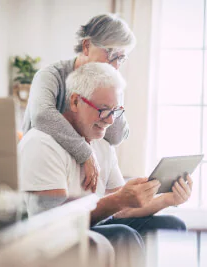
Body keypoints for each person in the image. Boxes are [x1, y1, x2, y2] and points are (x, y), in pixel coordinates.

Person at [19, 63, 160, 267]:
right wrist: (118, 200)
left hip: (88, 226)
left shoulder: (102, 145)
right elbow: (53, 224)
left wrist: (166, 199)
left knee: (170, 224)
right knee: (123, 235)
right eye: (103, 110)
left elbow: (122, 209)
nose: (111, 120)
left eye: (115, 111)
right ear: (75, 101)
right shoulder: (41, 143)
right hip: (49, 240)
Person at [22, 13, 136, 193]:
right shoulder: (50, 76)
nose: (115, 65)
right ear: (87, 46)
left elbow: (116, 136)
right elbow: (42, 115)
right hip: (42, 173)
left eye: (121, 58)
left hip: (79, 182)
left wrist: (110, 99)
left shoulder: (110, 82)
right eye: (111, 54)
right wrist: (86, 153)